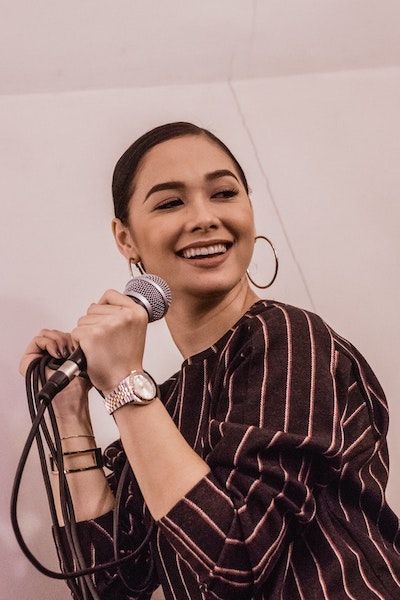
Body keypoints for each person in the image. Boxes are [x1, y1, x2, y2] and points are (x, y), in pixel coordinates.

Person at [20, 122, 400, 599]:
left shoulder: (284, 335)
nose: (204, 217)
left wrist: (122, 381)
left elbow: (236, 558)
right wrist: (71, 416)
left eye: (223, 193)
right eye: (170, 202)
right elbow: (107, 585)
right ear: (125, 238)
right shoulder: (165, 407)